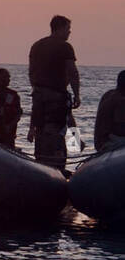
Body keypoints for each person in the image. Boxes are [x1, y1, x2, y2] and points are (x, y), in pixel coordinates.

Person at [28, 15, 81, 170]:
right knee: (57, 129)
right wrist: (77, 94)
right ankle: (60, 166)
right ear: (60, 28)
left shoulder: (36, 46)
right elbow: (72, 72)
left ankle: (42, 164)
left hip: (39, 95)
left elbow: (31, 72)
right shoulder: (65, 47)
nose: (69, 33)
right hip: (56, 95)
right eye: (68, 29)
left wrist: (36, 89)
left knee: (41, 129)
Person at [93, 71, 125, 153]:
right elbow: (120, 129)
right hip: (109, 143)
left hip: (100, 143)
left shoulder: (108, 94)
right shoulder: (121, 100)